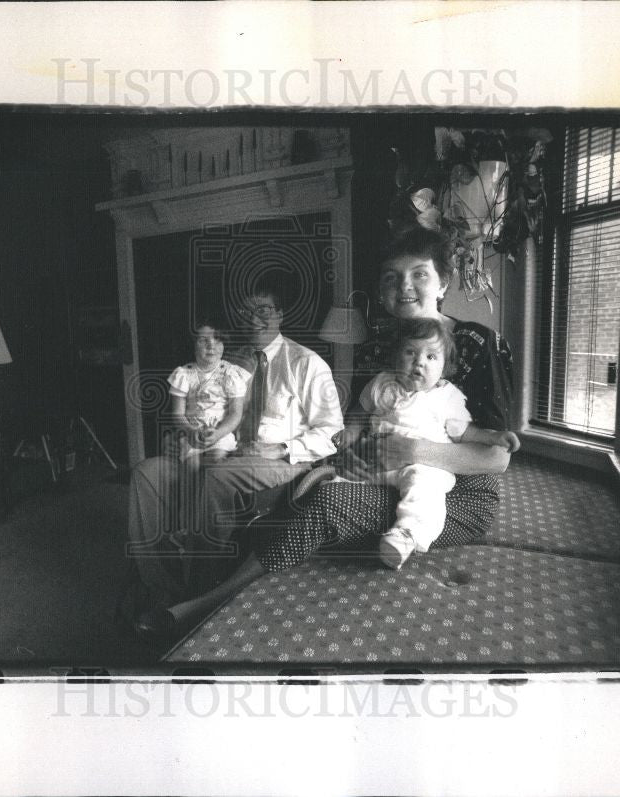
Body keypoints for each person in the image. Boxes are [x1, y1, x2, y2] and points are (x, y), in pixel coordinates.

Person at [134, 226, 516, 642]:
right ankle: (169, 585)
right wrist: (346, 449)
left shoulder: (476, 342)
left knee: (327, 497)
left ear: (443, 282)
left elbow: (497, 457)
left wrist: (410, 449)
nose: (403, 286)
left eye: (419, 274)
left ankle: (204, 604)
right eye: (391, 277)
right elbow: (354, 419)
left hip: (454, 491)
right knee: (320, 482)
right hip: (381, 472)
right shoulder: (378, 348)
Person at [123, 277, 344, 617]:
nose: (254, 319)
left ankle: (194, 597)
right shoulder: (229, 362)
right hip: (225, 449)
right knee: (146, 473)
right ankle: (161, 585)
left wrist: (281, 448)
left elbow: (333, 432)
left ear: (281, 315)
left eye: (264, 311)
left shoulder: (307, 364)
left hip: (282, 458)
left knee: (218, 477)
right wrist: (189, 433)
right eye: (246, 311)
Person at [339, 316, 519, 569]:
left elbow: (464, 432)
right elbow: (359, 413)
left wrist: (494, 437)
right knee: (344, 478)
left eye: (431, 357)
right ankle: (326, 485)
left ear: (444, 368)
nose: (419, 362)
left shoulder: (446, 396)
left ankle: (406, 535)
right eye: (410, 352)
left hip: (423, 466)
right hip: (377, 460)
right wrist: (349, 434)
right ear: (395, 356)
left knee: (424, 490)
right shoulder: (382, 383)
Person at [166, 321, 249, 466]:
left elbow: (235, 413)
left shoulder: (230, 373)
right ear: (193, 345)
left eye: (217, 339)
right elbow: (177, 414)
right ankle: (192, 489)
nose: (211, 345)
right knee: (191, 466)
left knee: (216, 459)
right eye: (203, 340)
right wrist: (190, 430)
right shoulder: (184, 374)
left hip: (220, 434)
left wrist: (219, 433)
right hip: (192, 435)